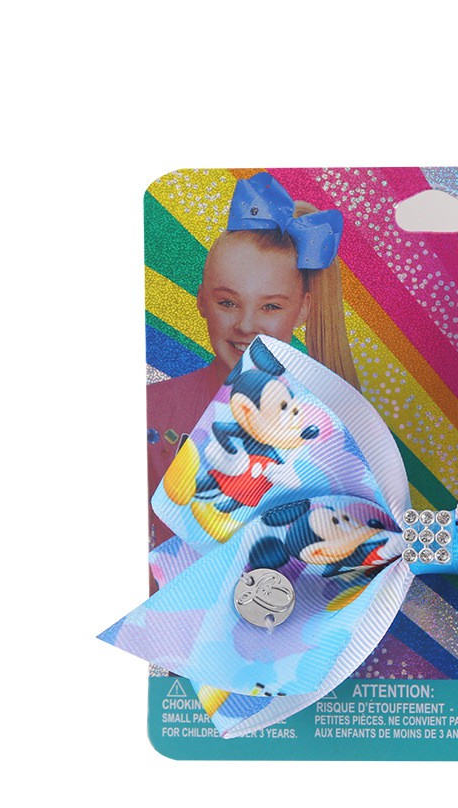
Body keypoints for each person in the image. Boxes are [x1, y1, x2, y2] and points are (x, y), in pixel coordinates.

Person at [147, 173, 359, 564]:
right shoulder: (151, 408)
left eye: (271, 306)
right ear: (201, 301)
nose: (246, 325)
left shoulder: (335, 424)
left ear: (304, 309)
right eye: (228, 303)